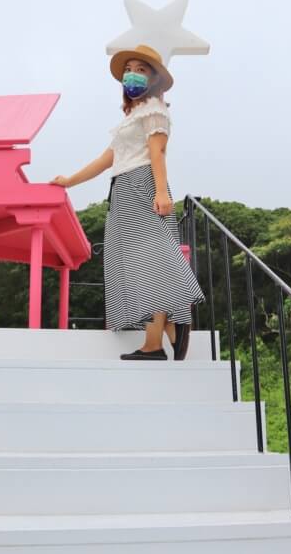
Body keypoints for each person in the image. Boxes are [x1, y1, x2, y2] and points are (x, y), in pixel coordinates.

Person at [50, 43, 206, 360]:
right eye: (128, 70)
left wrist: (161, 192)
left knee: (152, 261)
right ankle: (169, 332)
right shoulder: (132, 116)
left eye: (141, 69)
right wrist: (70, 180)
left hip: (142, 184)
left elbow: (157, 153)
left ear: (154, 79)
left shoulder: (154, 110)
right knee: (139, 264)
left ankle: (162, 335)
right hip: (122, 189)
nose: (132, 75)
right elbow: (108, 158)